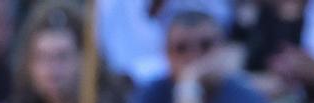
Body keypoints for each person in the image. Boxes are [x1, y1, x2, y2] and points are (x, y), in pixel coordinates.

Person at [110, 7, 275, 103]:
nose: (194, 56)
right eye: (181, 48)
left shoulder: (246, 97)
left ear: (222, 48)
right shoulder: (153, 91)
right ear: (166, 55)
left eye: (206, 45)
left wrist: (187, 84)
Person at [98, 0, 236, 87]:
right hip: (131, 86)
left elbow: (221, 45)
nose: (192, 55)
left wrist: (188, 81)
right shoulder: (112, 5)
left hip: (214, 82)